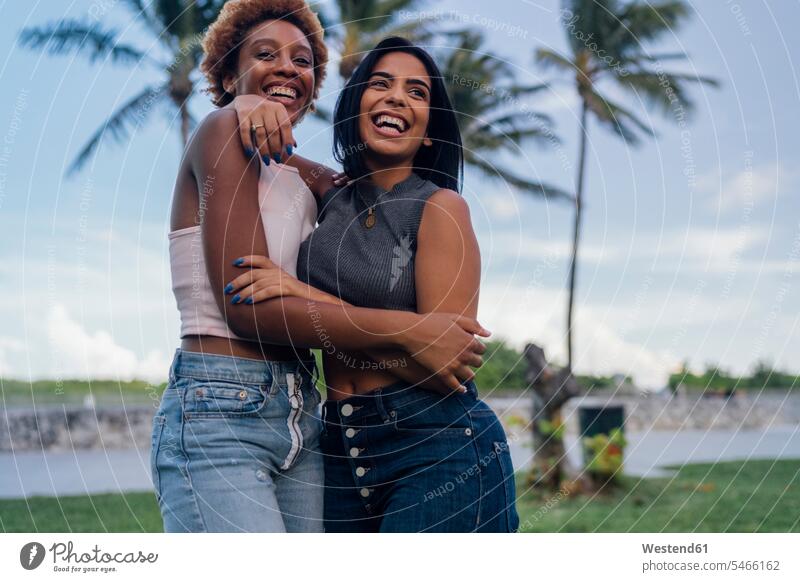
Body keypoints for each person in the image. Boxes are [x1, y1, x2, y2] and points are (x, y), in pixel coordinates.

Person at [151, 1, 487, 533]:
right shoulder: (220, 133)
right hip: (222, 401)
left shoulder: (320, 186)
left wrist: (251, 109)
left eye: (303, 61)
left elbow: (357, 179)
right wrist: (236, 108)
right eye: (265, 55)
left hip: (306, 417)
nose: (288, 67)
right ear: (227, 71)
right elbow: (247, 308)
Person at [231, 37, 519, 532]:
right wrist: (248, 103)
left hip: (438, 444)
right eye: (380, 84)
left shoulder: (441, 208)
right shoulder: (330, 195)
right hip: (339, 453)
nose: (396, 98)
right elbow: (249, 137)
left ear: (430, 131)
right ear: (356, 106)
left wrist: (303, 295)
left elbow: (442, 365)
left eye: (417, 92)